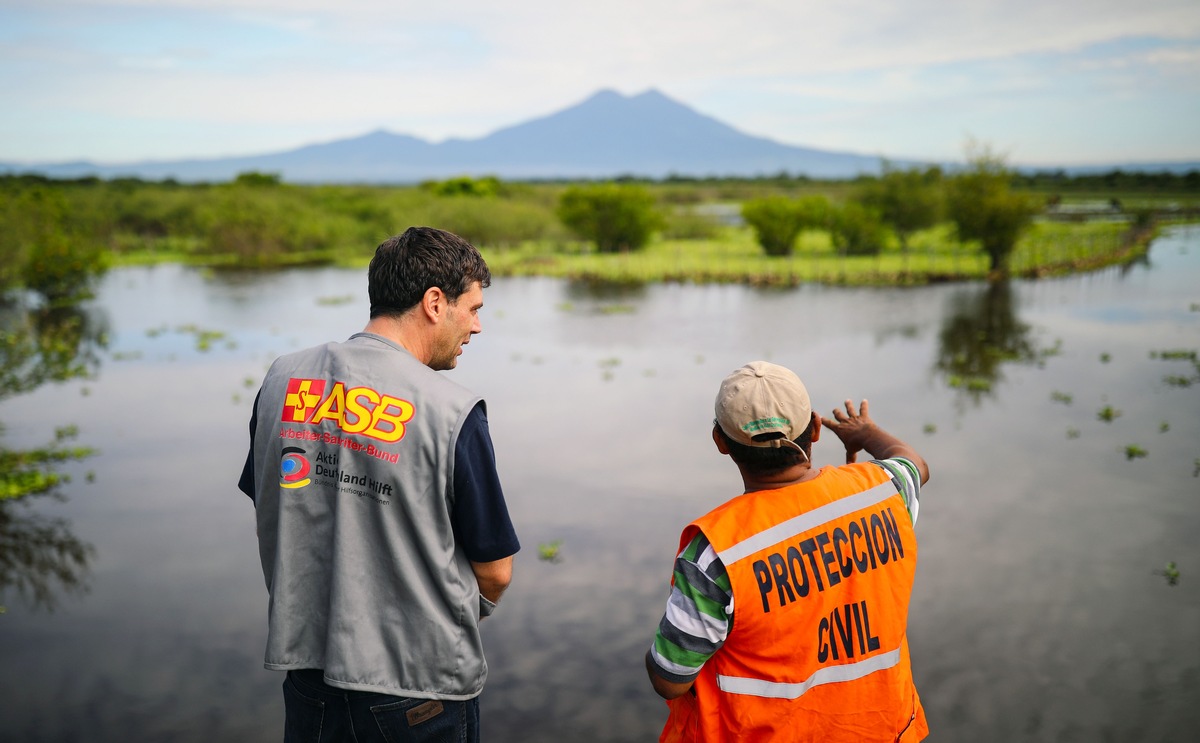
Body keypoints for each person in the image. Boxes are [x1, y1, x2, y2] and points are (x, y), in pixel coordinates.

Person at [238, 226, 520, 743]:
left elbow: (272, 495)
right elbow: (496, 572)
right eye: (474, 308)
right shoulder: (453, 411)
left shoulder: (281, 379)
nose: (477, 327)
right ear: (435, 302)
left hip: (308, 679)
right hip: (419, 693)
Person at [645, 361, 930, 742]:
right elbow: (915, 464)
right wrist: (866, 432)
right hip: (884, 730)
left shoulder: (715, 553)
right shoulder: (885, 491)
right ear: (814, 428)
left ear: (720, 442)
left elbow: (670, 679)